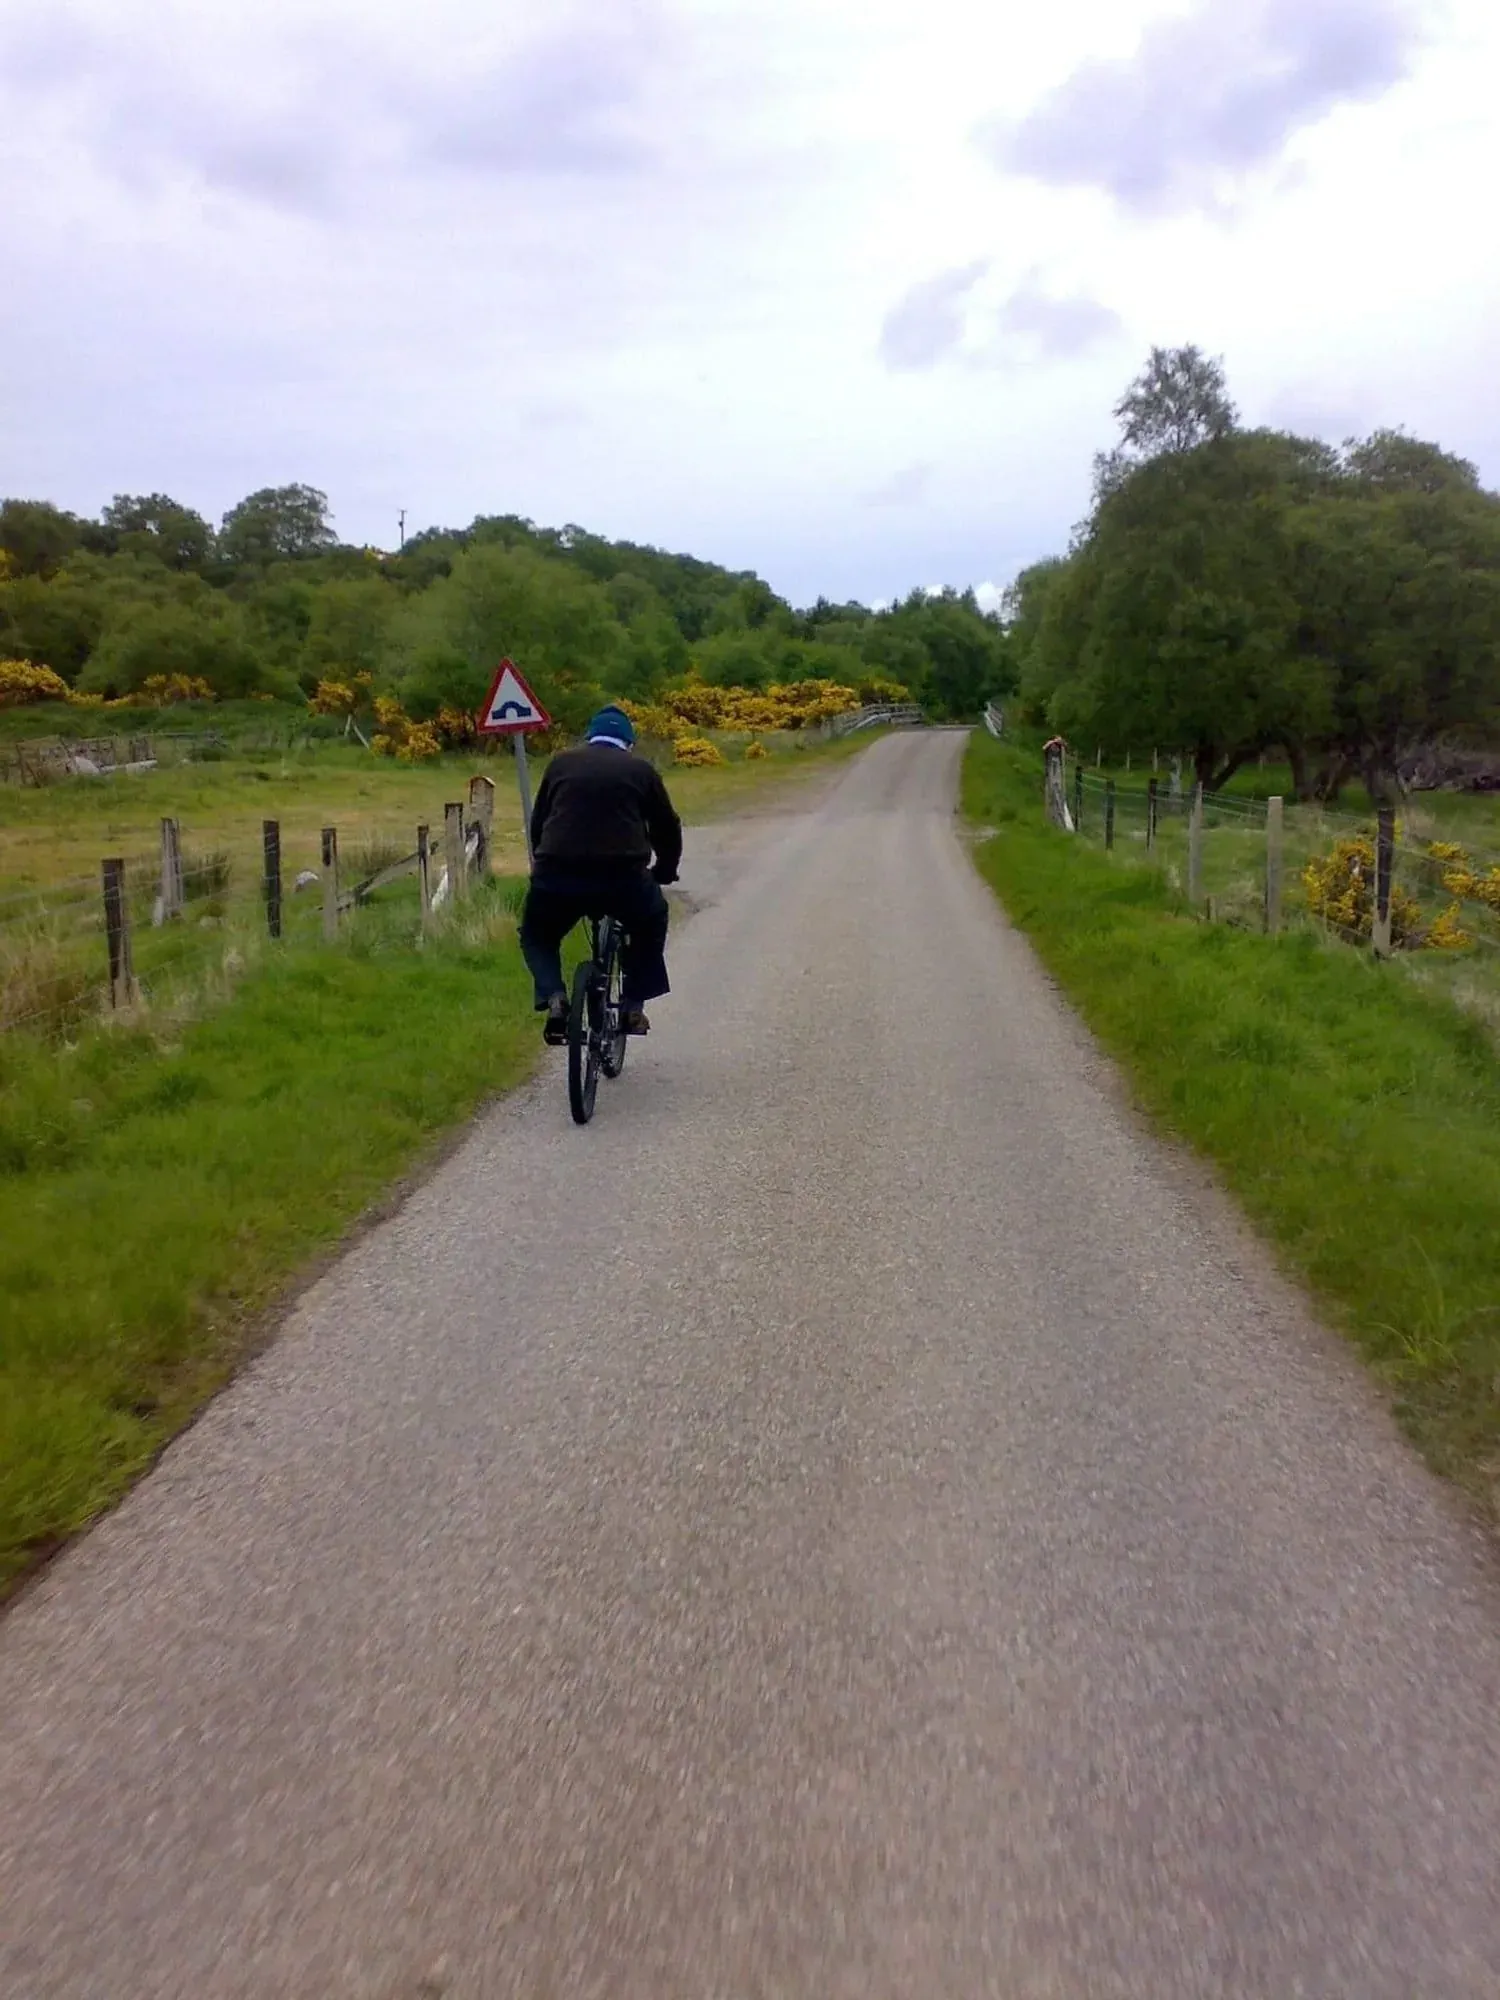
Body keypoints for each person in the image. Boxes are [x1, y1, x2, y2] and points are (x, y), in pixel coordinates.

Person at [519, 705, 683, 1045]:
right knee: (652, 920)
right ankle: (633, 1006)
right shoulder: (641, 771)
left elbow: (539, 824)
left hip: (558, 874)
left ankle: (554, 997)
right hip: (622, 878)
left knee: (538, 935)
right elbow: (666, 828)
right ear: (628, 742)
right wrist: (664, 872)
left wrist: (542, 866)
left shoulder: (561, 764)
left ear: (590, 737)